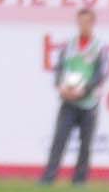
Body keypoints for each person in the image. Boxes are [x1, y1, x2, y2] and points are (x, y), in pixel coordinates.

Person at [42, 10, 103, 183]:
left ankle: (80, 180)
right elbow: (59, 69)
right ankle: (48, 177)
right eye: (80, 22)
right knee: (59, 140)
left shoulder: (98, 48)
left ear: (92, 23)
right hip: (68, 100)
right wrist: (61, 86)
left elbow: (100, 74)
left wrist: (85, 90)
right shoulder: (69, 46)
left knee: (85, 145)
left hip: (88, 103)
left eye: (86, 22)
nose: (82, 26)